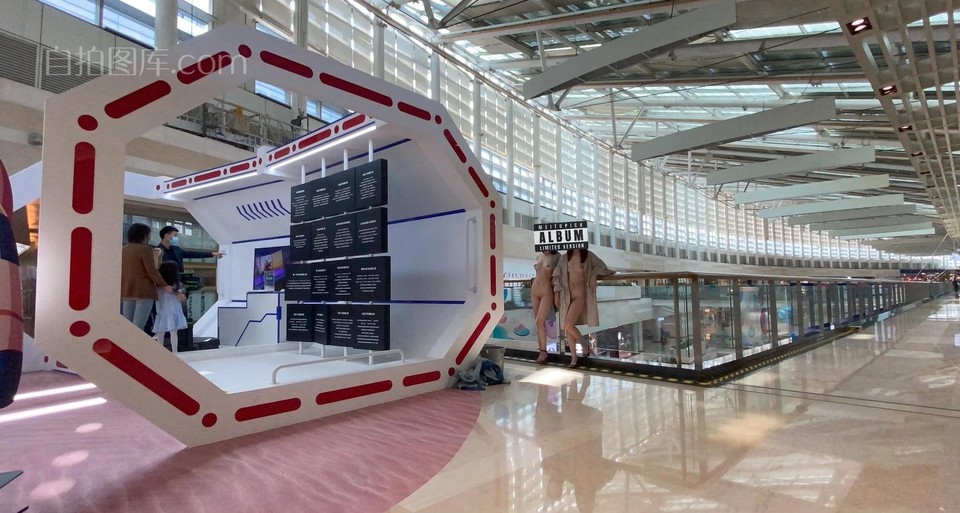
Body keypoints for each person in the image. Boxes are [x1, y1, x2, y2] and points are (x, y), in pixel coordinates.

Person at [553, 248, 612, 368]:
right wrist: (556, 293)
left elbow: (602, 267)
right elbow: (557, 276)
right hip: (566, 296)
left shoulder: (588, 255)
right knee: (568, 327)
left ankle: (584, 345)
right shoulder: (564, 258)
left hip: (580, 296)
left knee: (568, 324)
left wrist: (594, 275)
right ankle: (574, 358)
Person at [121, 223, 172, 331]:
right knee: (138, 326)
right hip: (143, 291)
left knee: (127, 326)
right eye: (149, 234)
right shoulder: (145, 249)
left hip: (126, 290)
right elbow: (152, 270)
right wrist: (164, 285)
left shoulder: (124, 249)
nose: (150, 236)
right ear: (144, 235)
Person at [156, 225, 224, 273]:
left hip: (178, 281)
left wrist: (212, 254)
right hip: (164, 283)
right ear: (166, 235)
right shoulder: (156, 251)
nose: (176, 238)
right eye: (175, 235)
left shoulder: (177, 249)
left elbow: (193, 254)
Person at [532, 251, 560, 364]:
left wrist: (557, 293)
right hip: (534, 290)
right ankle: (542, 351)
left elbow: (558, 276)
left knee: (539, 321)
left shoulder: (556, 257)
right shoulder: (540, 256)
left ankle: (543, 352)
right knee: (538, 323)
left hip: (546, 290)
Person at [154, 262, 188, 352]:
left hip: (161, 311)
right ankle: (174, 351)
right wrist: (181, 295)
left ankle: (159, 351)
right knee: (173, 332)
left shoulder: (159, 286)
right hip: (174, 310)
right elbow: (181, 298)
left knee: (160, 332)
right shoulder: (177, 284)